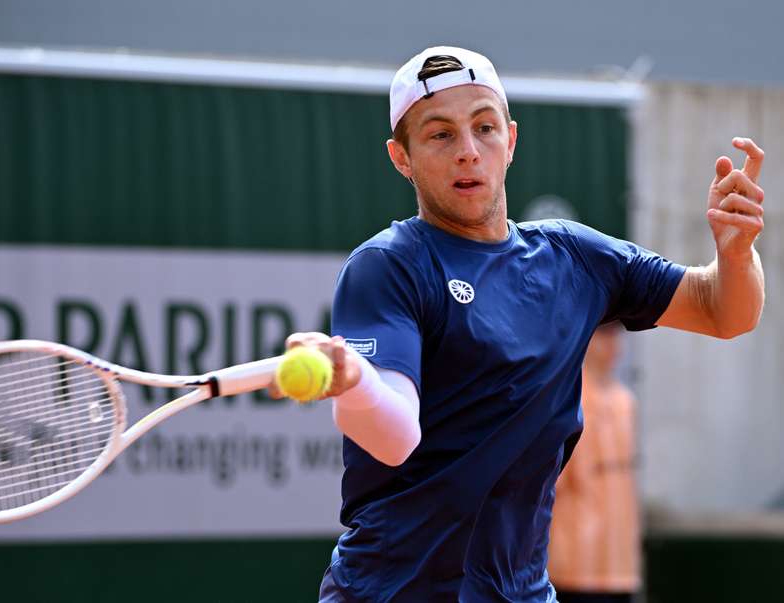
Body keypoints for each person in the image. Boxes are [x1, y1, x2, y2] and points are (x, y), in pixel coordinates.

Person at [271, 46, 765, 602]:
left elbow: (724, 311)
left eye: (483, 128)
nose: (468, 152)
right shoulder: (388, 266)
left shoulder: (575, 257)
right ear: (401, 157)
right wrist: (356, 384)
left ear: (510, 140)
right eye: (440, 135)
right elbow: (393, 437)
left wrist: (736, 250)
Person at [548, 322, 641, 603]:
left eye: (618, 332)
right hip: (574, 570)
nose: (614, 342)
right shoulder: (566, 400)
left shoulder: (625, 402)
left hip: (621, 569)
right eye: (605, 333)